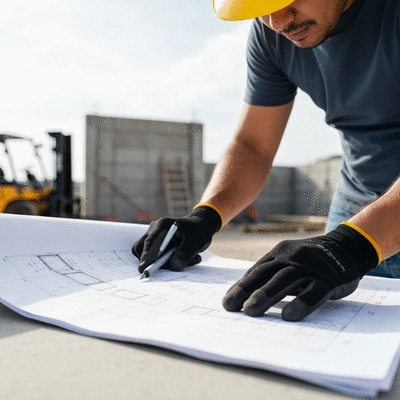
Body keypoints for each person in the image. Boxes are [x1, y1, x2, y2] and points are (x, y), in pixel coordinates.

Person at [132, 0, 400, 321]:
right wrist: (206, 216)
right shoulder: (272, 35)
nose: (277, 21)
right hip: (351, 213)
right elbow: (253, 145)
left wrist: (356, 244)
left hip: (358, 235)